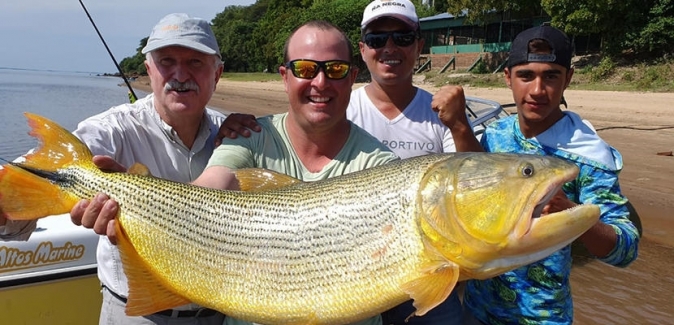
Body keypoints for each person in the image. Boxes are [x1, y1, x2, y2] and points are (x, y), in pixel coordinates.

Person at [1, 13, 228, 324]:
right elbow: (41, 176)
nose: (180, 74)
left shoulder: (235, 134)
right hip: (135, 315)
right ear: (149, 70)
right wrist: (6, 208)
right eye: (166, 61)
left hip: (221, 314)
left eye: (195, 62)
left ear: (217, 74)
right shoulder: (113, 128)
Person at [461, 25, 640, 324]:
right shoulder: (494, 136)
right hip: (475, 311)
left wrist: (571, 212)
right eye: (526, 76)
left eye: (551, 76)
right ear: (508, 77)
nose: (537, 90)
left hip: (543, 317)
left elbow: (625, 248)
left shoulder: (588, 155)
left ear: (568, 79)